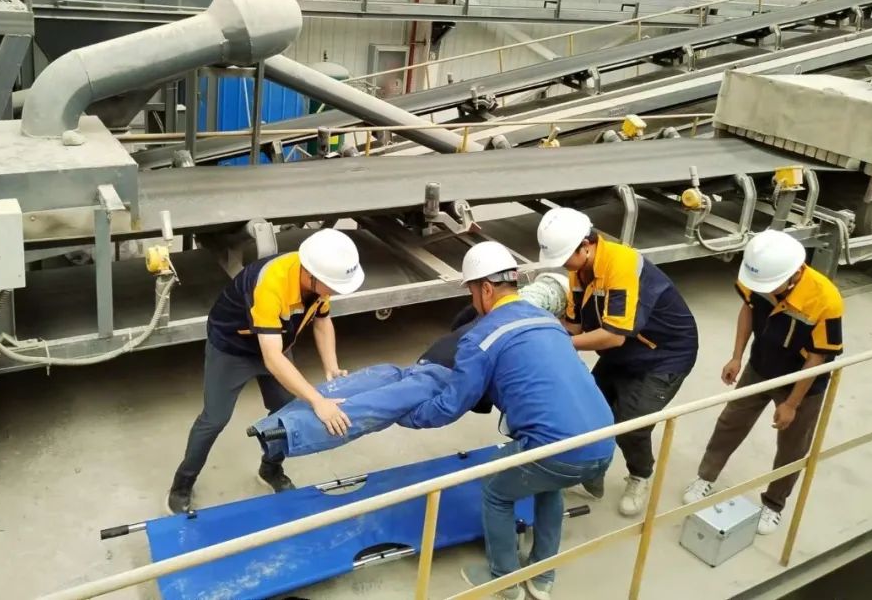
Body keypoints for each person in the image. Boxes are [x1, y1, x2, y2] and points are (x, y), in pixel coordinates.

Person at [403, 241, 614, 600]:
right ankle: (542, 577)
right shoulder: (548, 321)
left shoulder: (481, 337)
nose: (472, 301)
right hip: (605, 440)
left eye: (472, 292)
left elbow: (451, 406)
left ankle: (504, 580)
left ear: (485, 289)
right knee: (549, 484)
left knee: (496, 491)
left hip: (557, 450)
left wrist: (409, 415)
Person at [247, 271, 571, 459]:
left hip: (435, 359)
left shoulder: (500, 304)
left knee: (370, 387)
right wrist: (412, 415)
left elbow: (462, 321)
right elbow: (475, 389)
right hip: (443, 371)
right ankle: (285, 431)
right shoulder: (531, 330)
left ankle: (278, 425)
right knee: (374, 403)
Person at [165, 228, 364, 514]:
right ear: (310, 275)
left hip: (276, 344)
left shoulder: (320, 275)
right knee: (215, 419)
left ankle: (270, 469)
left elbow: (322, 321)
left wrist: (331, 366)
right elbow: (272, 360)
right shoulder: (271, 284)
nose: (335, 292)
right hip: (232, 349)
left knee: (286, 413)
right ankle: (182, 484)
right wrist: (318, 400)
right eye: (333, 287)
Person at [538, 207, 698, 518]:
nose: (562, 265)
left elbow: (612, 337)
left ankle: (640, 476)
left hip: (663, 357)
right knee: (589, 409)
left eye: (565, 257)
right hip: (624, 353)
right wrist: (540, 329)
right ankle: (592, 475)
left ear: (586, 245)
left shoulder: (621, 265)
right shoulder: (579, 270)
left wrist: (558, 344)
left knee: (630, 425)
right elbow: (575, 327)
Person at [682, 229, 843, 535]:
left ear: (794, 274)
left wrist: (792, 404)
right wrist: (736, 357)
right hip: (760, 367)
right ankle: (706, 476)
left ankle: (774, 505)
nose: (764, 291)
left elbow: (817, 358)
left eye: (771, 287)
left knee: (792, 446)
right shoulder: (756, 276)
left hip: (801, 382)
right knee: (730, 422)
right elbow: (748, 309)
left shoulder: (825, 300)